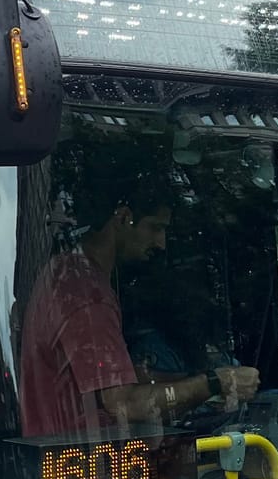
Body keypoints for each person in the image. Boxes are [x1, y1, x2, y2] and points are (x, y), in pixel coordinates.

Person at [18, 159, 257, 438]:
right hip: (84, 464)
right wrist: (216, 383)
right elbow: (123, 405)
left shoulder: (67, 274)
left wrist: (182, 381)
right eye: (155, 228)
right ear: (122, 218)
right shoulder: (87, 295)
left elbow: (106, 391)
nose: (161, 243)